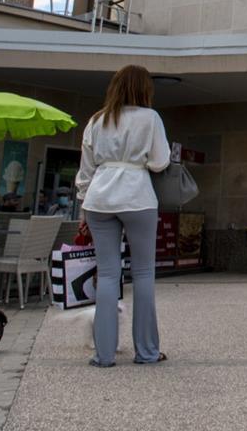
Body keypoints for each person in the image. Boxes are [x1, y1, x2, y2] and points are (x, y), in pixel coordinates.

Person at [75, 64, 171, 367]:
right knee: (143, 274)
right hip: (137, 195)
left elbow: (86, 170)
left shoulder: (97, 120)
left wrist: (82, 204)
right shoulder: (150, 118)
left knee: (106, 275)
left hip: (99, 198)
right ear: (145, 89)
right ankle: (146, 351)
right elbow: (159, 162)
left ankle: (103, 354)